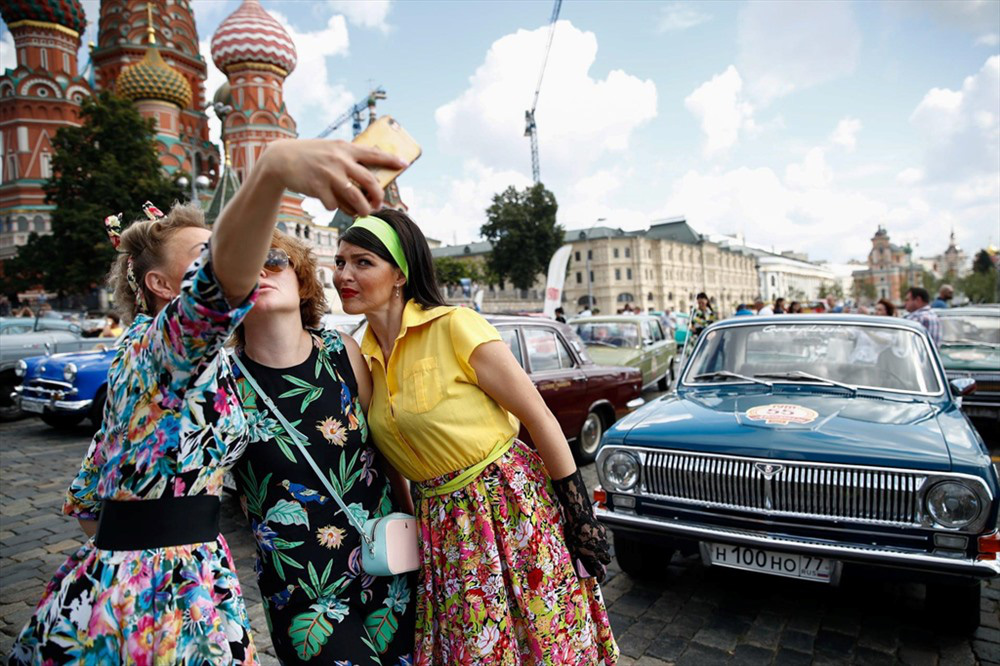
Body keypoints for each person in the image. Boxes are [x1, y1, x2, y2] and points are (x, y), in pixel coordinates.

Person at [8, 138, 405, 665]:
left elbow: (87, 495)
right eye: (208, 254)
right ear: (160, 283)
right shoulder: (158, 347)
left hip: (197, 578)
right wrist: (271, 171)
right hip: (161, 593)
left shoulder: (186, 360)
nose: (243, 260)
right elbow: (217, 293)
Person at [335, 209, 618, 664]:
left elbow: (538, 415)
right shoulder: (358, 357)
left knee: (543, 637)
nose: (343, 274)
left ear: (400, 274)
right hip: (441, 528)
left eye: (362, 262)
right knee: (477, 649)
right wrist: (412, 525)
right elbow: (390, 461)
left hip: (507, 505)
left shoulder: (453, 326)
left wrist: (580, 517)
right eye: (340, 261)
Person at [230, 231, 415, 665]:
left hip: (386, 566)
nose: (260, 270)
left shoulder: (342, 353)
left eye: (273, 260)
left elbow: (384, 453)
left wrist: (412, 527)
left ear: (303, 280)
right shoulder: (223, 382)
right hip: (301, 588)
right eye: (243, 265)